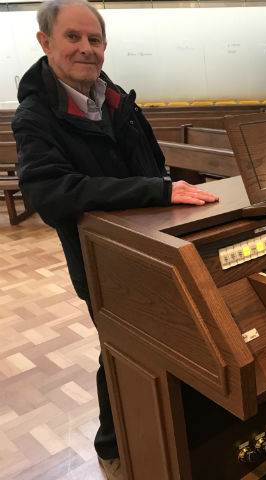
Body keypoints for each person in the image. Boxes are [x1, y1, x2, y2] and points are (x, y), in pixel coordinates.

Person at [11, 0, 218, 477]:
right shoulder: (35, 115)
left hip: (157, 246)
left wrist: (168, 197)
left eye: (95, 39)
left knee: (169, 341)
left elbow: (151, 163)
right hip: (101, 259)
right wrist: (157, 189)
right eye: (73, 37)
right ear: (45, 43)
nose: (87, 48)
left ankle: (177, 433)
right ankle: (115, 446)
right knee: (122, 351)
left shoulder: (117, 98)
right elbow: (51, 193)